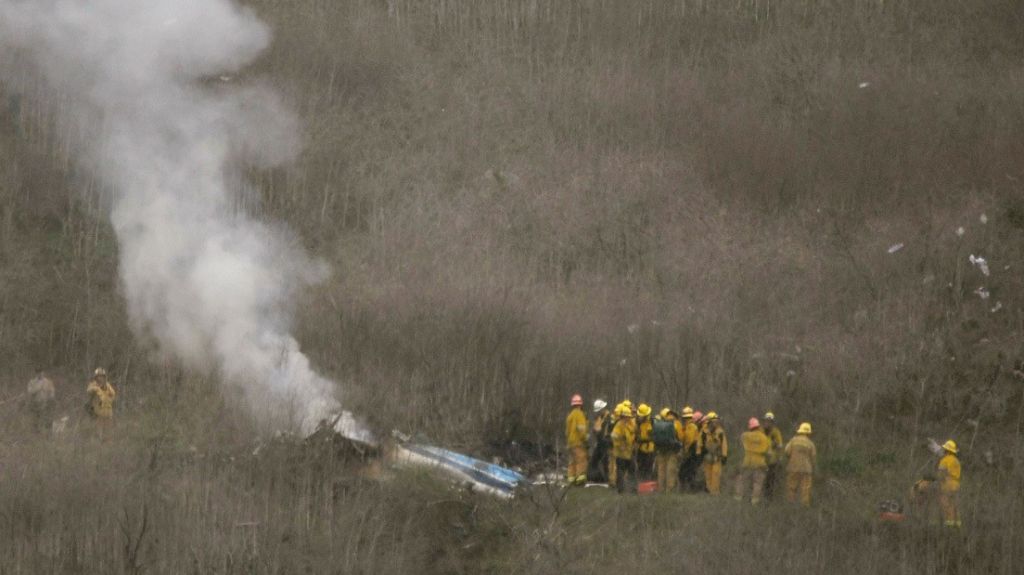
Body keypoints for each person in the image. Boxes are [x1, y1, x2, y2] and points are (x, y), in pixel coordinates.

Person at [735, 417, 771, 504]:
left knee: (742, 481)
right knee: (757, 483)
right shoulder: (764, 438)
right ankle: (754, 501)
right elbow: (768, 452)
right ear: (758, 426)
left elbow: (740, 442)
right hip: (759, 463)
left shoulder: (745, 435)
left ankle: (738, 499)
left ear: (750, 427)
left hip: (747, 462)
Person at [784, 422, 817, 506]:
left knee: (791, 488)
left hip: (793, 467)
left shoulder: (793, 440)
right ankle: (804, 507)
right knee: (805, 490)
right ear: (808, 433)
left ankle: (790, 506)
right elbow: (813, 458)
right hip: (806, 469)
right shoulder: (810, 444)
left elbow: (787, 452)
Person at [653, 408, 684, 492]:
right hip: (672, 451)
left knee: (661, 470)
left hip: (661, 450)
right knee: (671, 470)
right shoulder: (677, 423)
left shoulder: (660, 424)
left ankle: (661, 488)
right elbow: (681, 437)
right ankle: (669, 490)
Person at [698, 412, 728, 495]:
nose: (716, 423)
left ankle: (715, 493)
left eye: (716, 421)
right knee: (707, 475)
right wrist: (699, 453)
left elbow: (724, 445)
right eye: (714, 421)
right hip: (707, 457)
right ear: (709, 422)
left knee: (716, 475)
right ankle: (709, 491)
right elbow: (699, 443)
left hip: (717, 457)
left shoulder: (720, 432)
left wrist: (724, 456)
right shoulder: (704, 432)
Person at [610, 404, 637, 494]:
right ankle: (620, 490)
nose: (627, 418)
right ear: (622, 416)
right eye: (626, 417)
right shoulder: (619, 425)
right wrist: (620, 445)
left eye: (628, 417)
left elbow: (633, 435)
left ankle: (632, 489)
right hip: (621, 453)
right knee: (620, 472)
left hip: (629, 452)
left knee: (632, 471)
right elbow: (614, 436)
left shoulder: (631, 425)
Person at [936, 439, 962, 528]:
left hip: (947, 484)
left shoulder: (945, 460)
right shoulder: (957, 461)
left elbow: (941, 474)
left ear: (946, 450)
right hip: (956, 485)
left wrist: (939, 483)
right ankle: (958, 525)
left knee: (946, 506)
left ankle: (949, 527)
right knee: (955, 506)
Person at [86, 367, 116, 441]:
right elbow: (89, 390)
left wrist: (107, 393)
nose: (100, 378)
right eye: (99, 376)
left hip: (108, 413)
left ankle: (107, 446)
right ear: (96, 377)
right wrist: (97, 389)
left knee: (108, 433)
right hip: (98, 413)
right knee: (98, 432)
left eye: (102, 376)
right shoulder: (93, 385)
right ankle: (98, 445)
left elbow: (113, 394)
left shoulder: (107, 385)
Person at [564, 394, 588, 485]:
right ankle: (580, 479)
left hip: (570, 442)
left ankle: (571, 479)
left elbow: (567, 431)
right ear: (580, 404)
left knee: (572, 461)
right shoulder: (579, 414)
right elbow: (581, 429)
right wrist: (585, 439)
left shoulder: (570, 415)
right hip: (578, 442)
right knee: (581, 460)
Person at [677, 407, 702, 491]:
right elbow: (682, 438)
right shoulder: (687, 427)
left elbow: (690, 441)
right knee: (687, 472)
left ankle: (690, 489)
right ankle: (688, 489)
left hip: (692, 453)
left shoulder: (691, 427)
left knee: (687, 472)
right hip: (691, 452)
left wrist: (686, 453)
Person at [588, 399, 612, 483]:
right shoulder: (599, 418)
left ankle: (607, 479)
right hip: (599, 443)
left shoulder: (609, 418)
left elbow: (607, 432)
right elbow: (596, 429)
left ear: (603, 409)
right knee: (594, 460)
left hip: (605, 443)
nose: (597, 412)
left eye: (599, 410)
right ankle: (593, 477)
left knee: (605, 461)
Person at [762, 412, 784, 498]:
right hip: (761, 460)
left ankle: (768, 498)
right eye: (766, 421)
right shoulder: (760, 431)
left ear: (772, 422)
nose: (767, 423)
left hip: (772, 461)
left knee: (770, 481)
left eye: (769, 421)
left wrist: (779, 457)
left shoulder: (776, 432)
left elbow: (780, 445)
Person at [635, 404, 655, 481]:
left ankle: (647, 484)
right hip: (641, 449)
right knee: (640, 468)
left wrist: (643, 439)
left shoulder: (653, 422)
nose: (640, 417)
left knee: (648, 468)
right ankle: (641, 484)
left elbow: (653, 436)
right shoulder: (638, 423)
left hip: (650, 449)